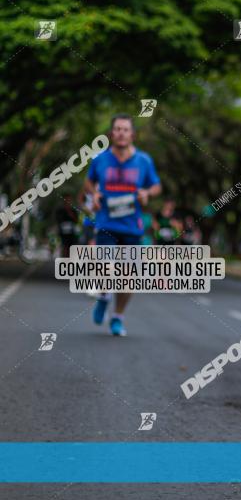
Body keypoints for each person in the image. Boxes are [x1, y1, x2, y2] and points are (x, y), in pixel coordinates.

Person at [84, 115, 161, 336]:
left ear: (132, 134)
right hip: (106, 222)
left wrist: (147, 192)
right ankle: (104, 296)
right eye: (117, 129)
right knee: (106, 268)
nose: (121, 133)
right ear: (111, 133)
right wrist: (95, 193)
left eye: (125, 129)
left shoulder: (143, 161)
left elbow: (156, 186)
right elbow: (89, 181)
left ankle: (117, 317)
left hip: (131, 226)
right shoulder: (100, 160)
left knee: (128, 277)